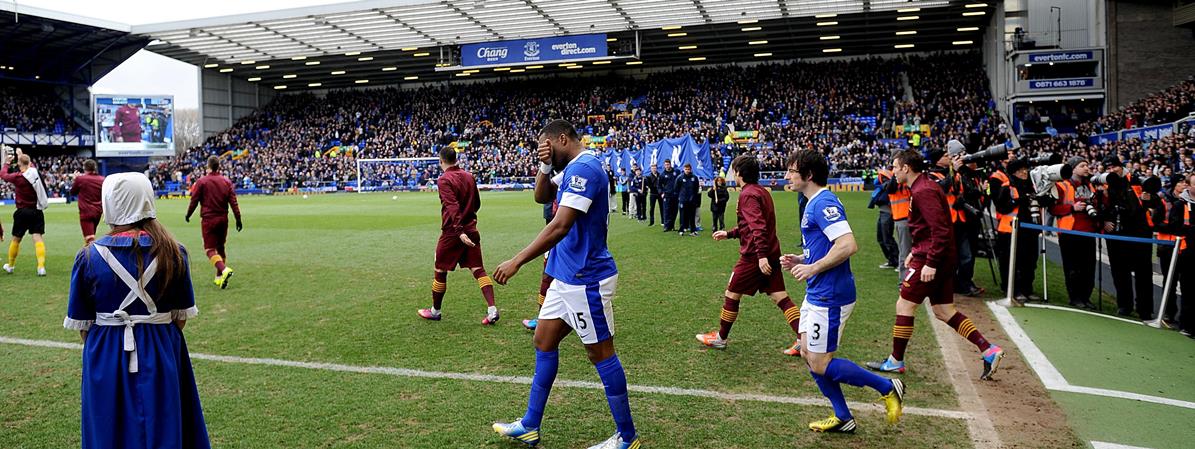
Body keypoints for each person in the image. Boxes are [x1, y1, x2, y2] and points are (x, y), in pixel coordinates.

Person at [491, 120, 640, 449]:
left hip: (586, 278)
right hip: (565, 276)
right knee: (543, 341)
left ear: (562, 139)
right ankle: (530, 425)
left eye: (546, 146)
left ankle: (627, 438)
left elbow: (560, 226)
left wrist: (517, 261)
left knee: (601, 354)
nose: (542, 151)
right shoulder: (572, 167)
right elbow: (541, 196)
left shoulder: (584, 168)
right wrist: (545, 165)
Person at [63, 172, 210, 449]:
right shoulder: (174, 252)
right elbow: (180, 318)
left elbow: (83, 325)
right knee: (163, 426)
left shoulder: (88, 256)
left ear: (109, 203)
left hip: (105, 351)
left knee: (108, 429)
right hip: (161, 347)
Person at [779, 149, 905, 434]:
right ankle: (843, 417)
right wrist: (802, 259)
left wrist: (813, 268)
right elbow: (826, 245)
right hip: (818, 291)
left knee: (820, 362)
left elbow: (847, 245)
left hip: (830, 294)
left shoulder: (822, 203)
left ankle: (888, 387)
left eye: (792, 171)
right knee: (807, 353)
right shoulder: (813, 201)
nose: (786, 176)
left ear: (809, 175)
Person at [868, 150, 1005, 380]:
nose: (893, 172)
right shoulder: (924, 187)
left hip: (933, 259)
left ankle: (895, 361)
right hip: (935, 256)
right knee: (943, 310)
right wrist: (914, 251)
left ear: (906, 168)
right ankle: (988, 349)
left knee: (904, 305)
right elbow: (928, 228)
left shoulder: (923, 191)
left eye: (895, 167)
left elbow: (940, 230)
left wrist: (930, 262)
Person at [696, 155, 803, 356]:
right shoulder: (761, 191)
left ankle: (720, 338)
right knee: (779, 296)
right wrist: (729, 233)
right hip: (770, 252)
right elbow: (751, 226)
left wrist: (761, 256)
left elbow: (758, 227)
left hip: (755, 256)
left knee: (731, 293)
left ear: (738, 172)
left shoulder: (748, 195)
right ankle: (803, 339)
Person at [417, 147, 499, 325]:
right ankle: (492, 310)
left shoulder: (444, 179)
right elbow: (477, 203)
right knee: (478, 269)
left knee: (440, 269)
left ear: (441, 161)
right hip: (471, 229)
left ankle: (435, 311)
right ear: (456, 159)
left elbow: (452, 206)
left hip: (453, 233)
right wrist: (468, 222)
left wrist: (459, 231)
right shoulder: (469, 176)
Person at [1099, 157, 1154, 318]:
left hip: (1140, 232)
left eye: (1114, 167)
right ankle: (1124, 305)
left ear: (1121, 166)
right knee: (1119, 270)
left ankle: (1145, 309)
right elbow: (1097, 205)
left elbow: (1154, 203)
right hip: (1116, 233)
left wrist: (1148, 200)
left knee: (1143, 271)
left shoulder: (1138, 180)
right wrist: (1104, 221)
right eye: (1108, 168)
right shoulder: (1104, 183)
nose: (1111, 171)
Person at [185, 156, 242, 289]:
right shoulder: (226, 182)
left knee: (210, 249)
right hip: (223, 219)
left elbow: (194, 200)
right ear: (218, 166)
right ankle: (219, 278)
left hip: (209, 220)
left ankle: (224, 269)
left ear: (208, 166)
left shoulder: (202, 182)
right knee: (220, 248)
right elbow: (233, 202)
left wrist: (188, 214)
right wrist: (238, 219)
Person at [1049, 157, 1097, 310]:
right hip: (1069, 232)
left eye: (1087, 165)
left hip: (1089, 232)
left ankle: (1086, 297)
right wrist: (1072, 208)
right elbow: (1053, 209)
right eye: (1082, 165)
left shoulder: (1091, 185)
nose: (1086, 168)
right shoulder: (1061, 185)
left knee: (1089, 268)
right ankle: (1075, 298)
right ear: (1073, 168)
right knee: (1072, 268)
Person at [994, 158, 1039, 302]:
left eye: (1025, 169)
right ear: (1014, 172)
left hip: (1030, 229)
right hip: (1010, 230)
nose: (1024, 172)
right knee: (1012, 261)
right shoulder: (1007, 186)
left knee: (1030, 261)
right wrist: (1017, 201)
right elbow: (1001, 208)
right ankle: (1013, 289)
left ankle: (1027, 289)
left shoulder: (1033, 186)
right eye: (1020, 170)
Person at [1, 148, 50, 276]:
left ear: (18, 164)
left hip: (22, 211)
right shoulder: (34, 172)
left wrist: (6, 163)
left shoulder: (18, 177)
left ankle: (10, 265)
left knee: (16, 239)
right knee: (38, 238)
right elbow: (28, 164)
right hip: (36, 211)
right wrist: (21, 155)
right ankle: (41, 267)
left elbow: (3, 175)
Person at [1154, 174, 1187, 326]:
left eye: (1185, 182)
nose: (1184, 185)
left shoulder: (1189, 201)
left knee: (1186, 283)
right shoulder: (1163, 200)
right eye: (1181, 182)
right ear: (1175, 185)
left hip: (1185, 247)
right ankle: (1168, 313)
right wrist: (1173, 228)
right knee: (1169, 282)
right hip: (1167, 246)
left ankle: (1185, 317)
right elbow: (1156, 222)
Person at [867, 167, 899, 269]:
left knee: (887, 238)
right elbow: (877, 182)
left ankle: (898, 261)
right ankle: (892, 260)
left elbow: (880, 184)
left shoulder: (890, 178)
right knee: (881, 238)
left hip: (888, 212)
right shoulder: (887, 176)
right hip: (883, 211)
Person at [71, 159, 105, 245]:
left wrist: (75, 180)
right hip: (98, 212)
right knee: (91, 236)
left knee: (89, 239)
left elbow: (73, 192)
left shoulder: (80, 179)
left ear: (84, 168)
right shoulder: (102, 179)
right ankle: (88, 252)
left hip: (86, 212)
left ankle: (93, 253)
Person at [675, 163, 700, 236]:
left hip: (692, 200)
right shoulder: (680, 177)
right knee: (682, 215)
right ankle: (681, 230)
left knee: (692, 216)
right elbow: (676, 188)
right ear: (683, 169)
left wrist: (694, 197)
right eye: (686, 169)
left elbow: (696, 188)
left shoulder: (694, 178)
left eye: (688, 169)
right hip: (683, 200)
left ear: (691, 169)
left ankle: (693, 231)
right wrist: (680, 197)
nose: (687, 171)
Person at [660, 159, 679, 232]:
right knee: (667, 211)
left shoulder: (676, 172)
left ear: (670, 164)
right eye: (666, 165)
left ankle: (672, 225)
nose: (667, 166)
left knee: (674, 211)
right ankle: (666, 226)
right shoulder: (662, 175)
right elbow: (659, 185)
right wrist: (662, 193)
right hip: (667, 195)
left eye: (668, 164)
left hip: (675, 195)